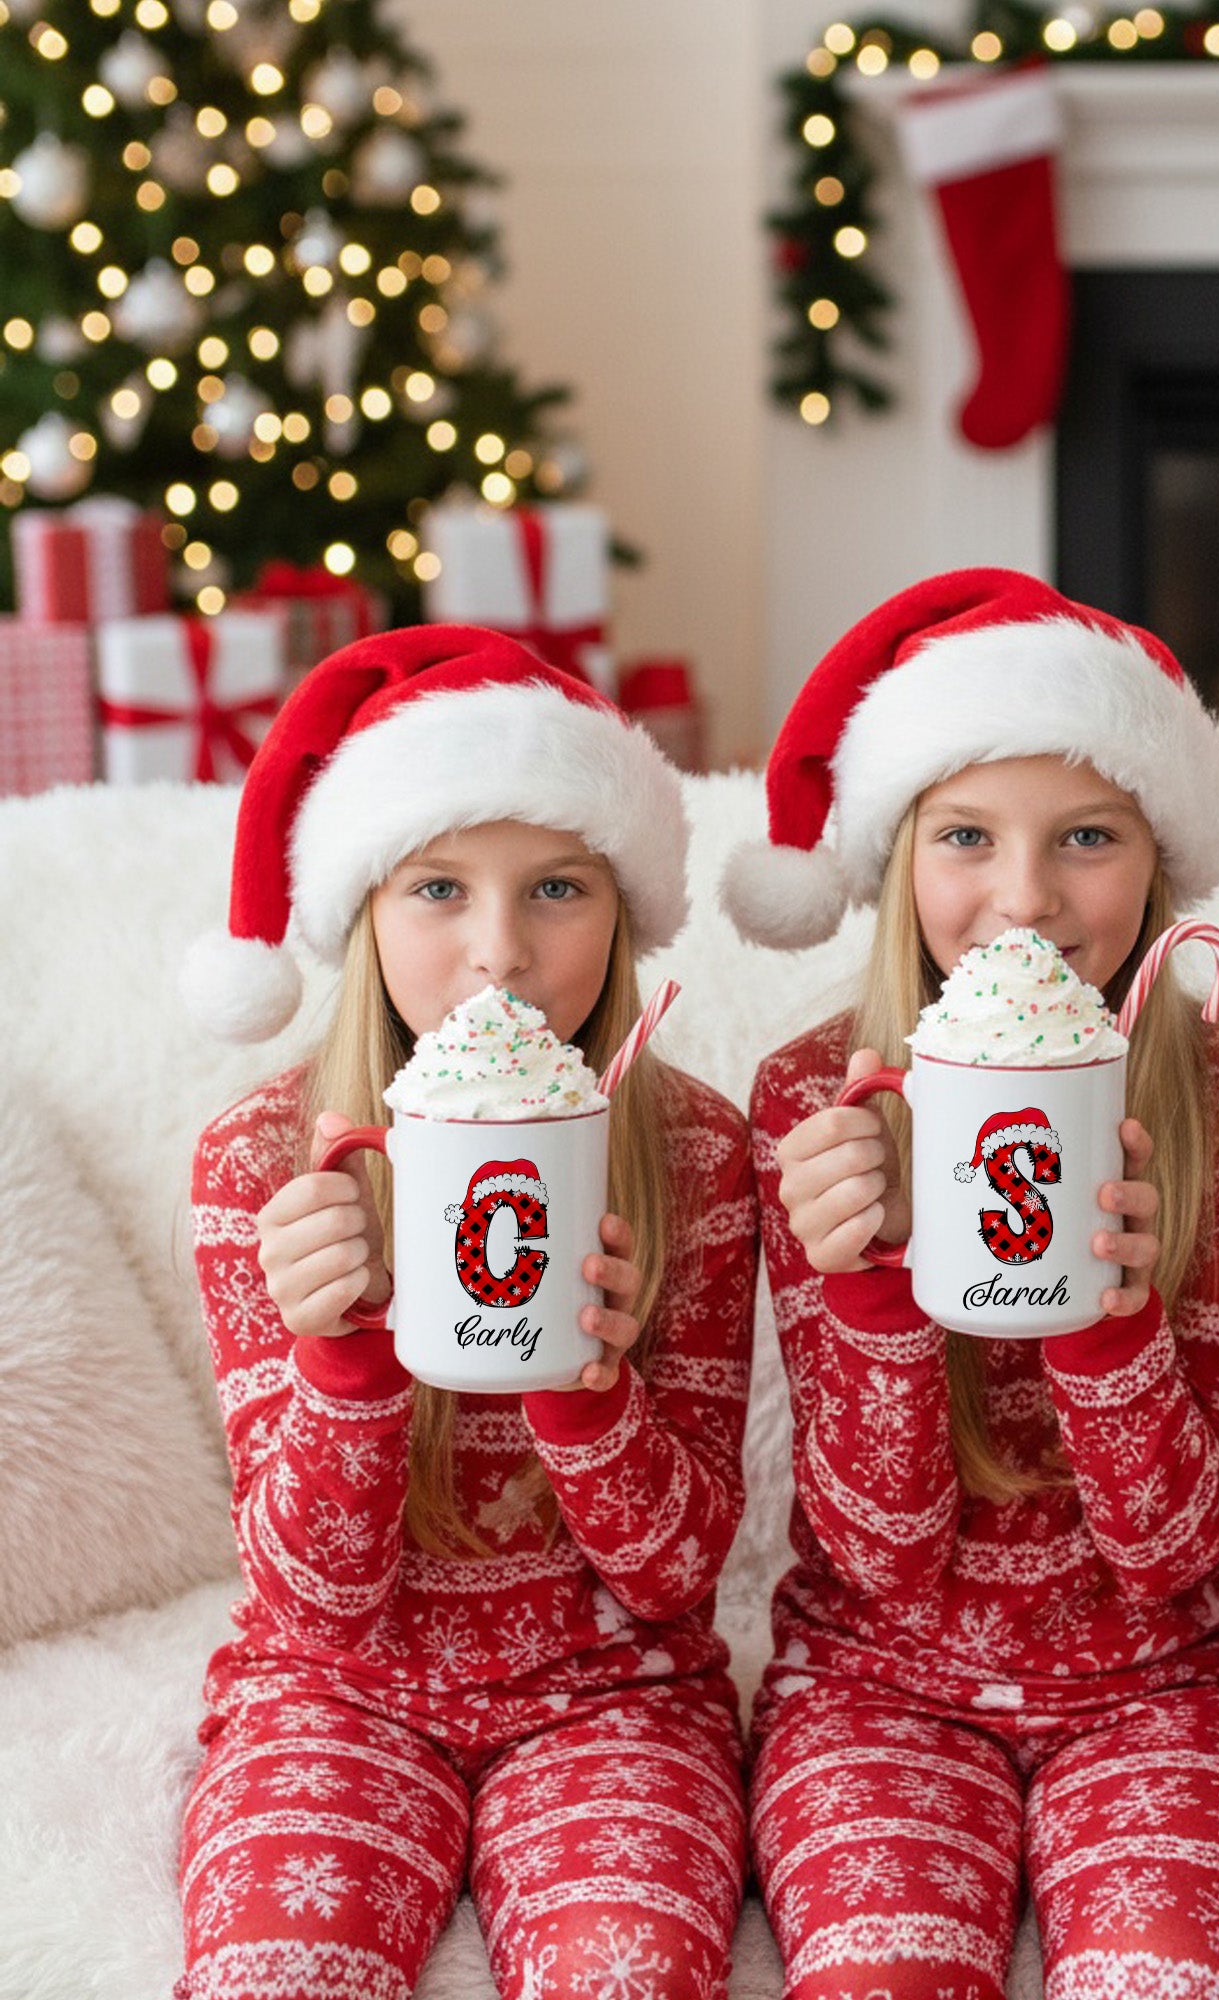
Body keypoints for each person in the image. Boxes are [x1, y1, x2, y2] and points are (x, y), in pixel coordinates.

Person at [722, 569, 1219, 2000]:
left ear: (1158, 865)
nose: (1025, 897)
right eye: (967, 836)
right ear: (900, 861)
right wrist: (865, 1295)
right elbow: (882, 1554)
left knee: (1164, 1971)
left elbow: (1175, 1554)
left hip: (1172, 1690)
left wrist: (1116, 1324)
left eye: (1087, 838)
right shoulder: (813, 1099)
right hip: (877, 1687)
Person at [174, 627, 755, 2000]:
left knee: (631, 1971)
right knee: (275, 1968)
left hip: (617, 1701)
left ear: (622, 911)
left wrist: (587, 1386)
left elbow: (678, 1579)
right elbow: (309, 1601)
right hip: (334, 1697)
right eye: (439, 887)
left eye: (556, 887)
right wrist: (345, 1365)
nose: (500, 954)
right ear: (363, 910)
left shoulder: (690, 1155)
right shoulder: (266, 1164)